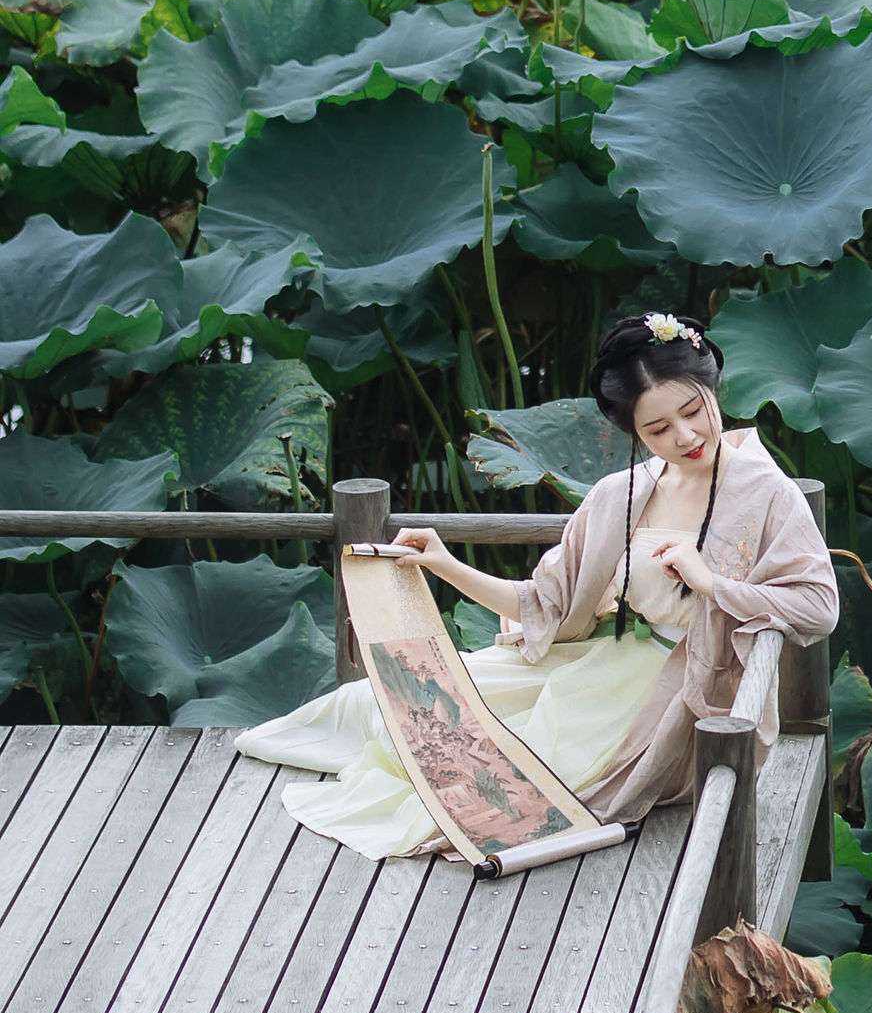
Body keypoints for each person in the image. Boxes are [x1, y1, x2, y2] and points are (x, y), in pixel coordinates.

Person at [236, 309, 839, 859]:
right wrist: (443, 562)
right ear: (634, 432)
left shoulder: (767, 495)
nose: (685, 437)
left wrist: (709, 584)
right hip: (592, 661)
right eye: (658, 429)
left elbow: (818, 607)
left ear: (713, 391)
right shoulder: (620, 496)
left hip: (672, 689)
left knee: (505, 784)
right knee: (390, 705)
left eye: (693, 411)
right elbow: (541, 603)